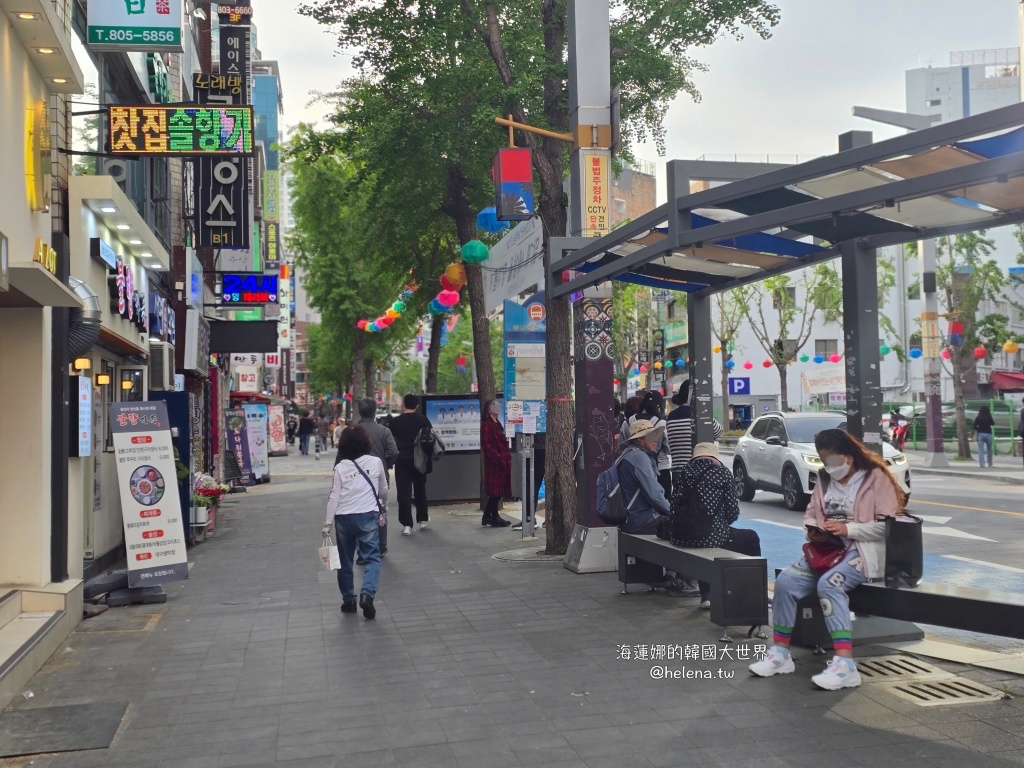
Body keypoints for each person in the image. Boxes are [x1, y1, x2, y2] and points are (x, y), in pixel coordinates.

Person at [749, 428, 904, 690]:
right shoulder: (823, 479)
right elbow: (811, 512)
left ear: (849, 456)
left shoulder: (876, 478)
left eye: (833, 460)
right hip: (828, 550)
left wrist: (848, 530)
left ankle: (845, 665)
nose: (829, 466)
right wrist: (814, 528)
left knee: (830, 584)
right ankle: (780, 654)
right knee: (786, 582)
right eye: (824, 461)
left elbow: (890, 526)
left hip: (864, 551)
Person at [673, 443, 761, 610]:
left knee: (702, 537)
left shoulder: (683, 473)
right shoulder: (722, 473)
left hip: (681, 537)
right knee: (750, 537)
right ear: (715, 458)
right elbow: (733, 513)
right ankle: (752, 592)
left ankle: (707, 595)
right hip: (711, 537)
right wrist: (717, 523)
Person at [322, 426, 387, 620]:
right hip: (368, 514)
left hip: (343, 517)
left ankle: (349, 600)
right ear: (365, 443)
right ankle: (367, 593)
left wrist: (327, 523)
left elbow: (334, 496)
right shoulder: (376, 462)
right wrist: (383, 503)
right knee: (372, 558)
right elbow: (383, 488)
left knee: (345, 561)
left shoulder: (341, 467)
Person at [347, 398, 398, 563]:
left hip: (356, 480)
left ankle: (362, 552)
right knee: (380, 513)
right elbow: (394, 452)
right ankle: (381, 547)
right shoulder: (384, 431)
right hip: (379, 478)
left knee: (359, 514)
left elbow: (343, 456)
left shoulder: (352, 431)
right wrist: (386, 464)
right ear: (375, 411)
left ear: (360, 412)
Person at [388, 394, 433, 535]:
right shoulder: (423, 420)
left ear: (403, 405)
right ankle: (423, 519)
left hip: (402, 459)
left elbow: (391, 440)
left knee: (404, 492)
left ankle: (407, 524)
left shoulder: (396, 422)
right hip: (420, 459)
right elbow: (430, 438)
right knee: (420, 489)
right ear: (417, 406)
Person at [617, 419, 671, 535]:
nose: (656, 439)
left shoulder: (625, 455)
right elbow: (654, 495)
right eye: (652, 435)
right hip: (643, 521)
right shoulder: (639, 458)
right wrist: (673, 511)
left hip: (627, 520)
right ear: (639, 438)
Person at [621, 391, 671, 498]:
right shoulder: (661, 424)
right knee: (662, 502)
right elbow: (668, 449)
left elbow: (621, 447)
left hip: (633, 469)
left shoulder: (627, 422)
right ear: (659, 406)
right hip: (661, 469)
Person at [666, 380, 724, 471]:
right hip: (698, 471)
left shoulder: (671, 416)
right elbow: (718, 432)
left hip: (677, 471)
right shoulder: (700, 414)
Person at [480, 399, 513, 528]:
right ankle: (491, 516)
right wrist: (499, 459)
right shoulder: (487, 425)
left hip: (502, 461)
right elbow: (487, 446)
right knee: (496, 492)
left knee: (497, 492)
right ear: (489, 409)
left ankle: (490, 516)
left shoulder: (498, 423)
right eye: (495, 406)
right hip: (495, 463)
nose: (498, 408)